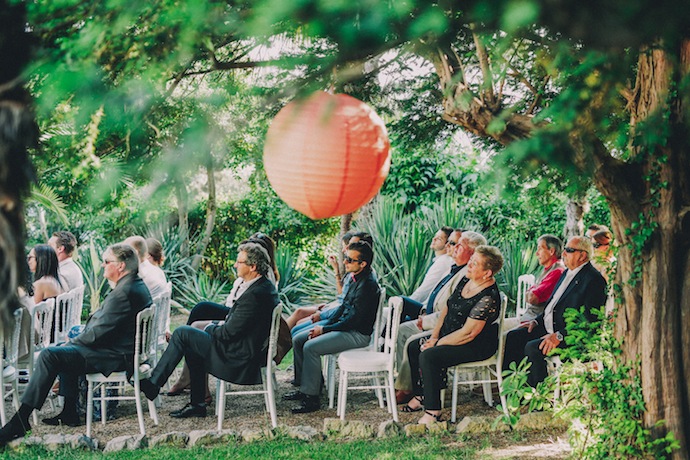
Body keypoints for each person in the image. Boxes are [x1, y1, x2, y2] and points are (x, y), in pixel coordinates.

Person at [0, 244, 151, 445]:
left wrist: (72, 342)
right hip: (118, 349)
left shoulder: (124, 292)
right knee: (63, 352)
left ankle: (19, 421)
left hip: (114, 356)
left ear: (121, 266)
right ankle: (69, 412)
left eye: (107, 262)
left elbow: (97, 334)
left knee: (51, 355)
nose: (103, 266)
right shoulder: (133, 285)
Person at [138, 242, 279, 418]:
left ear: (252, 266)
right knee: (190, 337)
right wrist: (212, 326)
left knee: (183, 333)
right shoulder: (261, 287)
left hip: (239, 358)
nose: (235, 265)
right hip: (243, 348)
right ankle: (197, 404)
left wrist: (209, 327)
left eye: (239, 262)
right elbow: (236, 324)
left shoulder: (255, 295)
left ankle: (154, 385)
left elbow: (227, 333)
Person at [165, 234, 280, 396]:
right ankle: (192, 381)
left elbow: (245, 311)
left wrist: (213, 326)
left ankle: (190, 380)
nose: (236, 264)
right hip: (237, 314)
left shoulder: (261, 282)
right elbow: (235, 299)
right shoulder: (256, 280)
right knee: (200, 310)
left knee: (193, 329)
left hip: (242, 327)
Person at [403, 245, 504, 425]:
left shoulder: (488, 297)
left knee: (429, 355)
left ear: (487, 273)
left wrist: (437, 343)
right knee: (413, 347)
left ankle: (433, 412)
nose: (470, 265)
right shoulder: (466, 280)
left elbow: (468, 333)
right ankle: (422, 395)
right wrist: (434, 337)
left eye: (475, 263)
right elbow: (447, 310)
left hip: (475, 345)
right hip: (449, 334)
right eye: (471, 261)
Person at [285, 240, 380, 414]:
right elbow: (343, 307)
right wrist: (325, 322)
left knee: (311, 347)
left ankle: (311, 398)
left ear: (363, 263)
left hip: (357, 334)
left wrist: (325, 329)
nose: (345, 262)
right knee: (299, 339)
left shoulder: (368, 285)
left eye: (349, 260)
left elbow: (353, 321)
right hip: (345, 327)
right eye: (345, 258)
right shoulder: (354, 278)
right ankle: (306, 385)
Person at [394, 230, 487, 403]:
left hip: (451, 329)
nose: (452, 247)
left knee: (406, 335)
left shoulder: (469, 276)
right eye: (454, 243)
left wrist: (429, 326)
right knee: (407, 329)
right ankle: (415, 386)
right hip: (436, 319)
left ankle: (408, 388)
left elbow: (457, 314)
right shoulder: (455, 269)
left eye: (460, 245)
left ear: (473, 253)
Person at [503, 236, 607, 387]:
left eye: (569, 250)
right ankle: (513, 388)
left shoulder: (593, 280)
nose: (563, 253)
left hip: (570, 336)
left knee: (533, 347)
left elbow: (589, 320)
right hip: (549, 327)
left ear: (582, 255)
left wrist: (559, 336)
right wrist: (536, 321)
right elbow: (552, 306)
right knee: (514, 337)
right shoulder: (566, 273)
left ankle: (540, 397)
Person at [285, 232, 353, 329]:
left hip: (336, 312)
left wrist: (323, 313)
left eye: (344, 247)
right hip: (334, 306)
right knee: (299, 311)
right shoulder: (351, 272)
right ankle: (277, 340)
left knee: (300, 322)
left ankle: (282, 341)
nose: (342, 251)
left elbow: (343, 298)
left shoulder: (357, 275)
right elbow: (342, 296)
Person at [398, 226, 455, 321]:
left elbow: (424, 291)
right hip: (426, 308)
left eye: (439, 238)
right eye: (435, 236)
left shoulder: (442, 262)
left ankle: (383, 336)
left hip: (427, 311)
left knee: (400, 301)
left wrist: (407, 304)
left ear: (447, 244)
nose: (434, 239)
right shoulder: (440, 261)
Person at [519, 235, 566, 322]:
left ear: (551, 251)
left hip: (537, 322)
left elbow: (532, 299)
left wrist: (531, 291)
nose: (537, 253)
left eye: (540, 248)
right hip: (530, 318)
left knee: (506, 334)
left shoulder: (557, 271)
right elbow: (527, 296)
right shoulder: (549, 269)